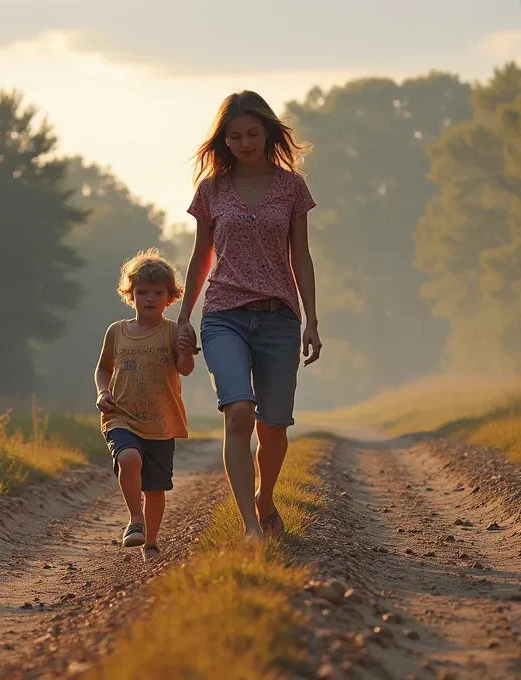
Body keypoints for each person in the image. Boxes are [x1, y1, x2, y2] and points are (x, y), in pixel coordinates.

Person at [176, 90, 322, 541]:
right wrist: (183, 318)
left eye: (252, 134)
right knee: (239, 411)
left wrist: (312, 320)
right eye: (235, 136)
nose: (244, 143)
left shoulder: (291, 187)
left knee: (273, 426)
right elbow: (202, 256)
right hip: (223, 315)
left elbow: (301, 255)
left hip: (279, 316)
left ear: (268, 133)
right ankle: (251, 526)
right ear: (224, 140)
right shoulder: (211, 190)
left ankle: (265, 496)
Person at [95, 249, 195, 563]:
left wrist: (188, 351)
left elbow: (185, 368)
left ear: (170, 298)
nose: (149, 298)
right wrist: (101, 392)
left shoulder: (172, 331)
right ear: (130, 295)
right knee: (128, 457)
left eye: (157, 293)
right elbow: (103, 369)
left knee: (155, 488)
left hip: (161, 422)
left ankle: (149, 543)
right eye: (142, 292)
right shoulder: (117, 331)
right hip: (121, 416)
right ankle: (135, 518)